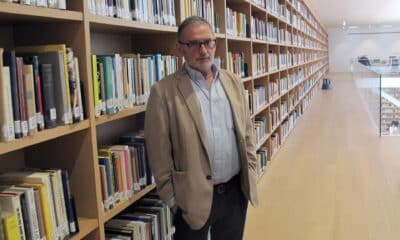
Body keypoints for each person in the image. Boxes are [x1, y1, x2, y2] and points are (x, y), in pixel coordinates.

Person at [144, 16, 258, 240]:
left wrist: (250, 170)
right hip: (191, 200)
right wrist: (172, 200)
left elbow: (247, 132)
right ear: (180, 50)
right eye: (194, 44)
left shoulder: (233, 81)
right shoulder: (163, 91)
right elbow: (158, 152)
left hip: (235, 193)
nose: (203, 50)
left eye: (209, 42)